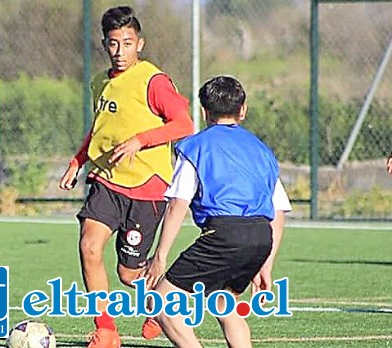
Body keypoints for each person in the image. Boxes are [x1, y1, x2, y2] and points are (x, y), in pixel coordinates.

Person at [58, 6, 193, 348]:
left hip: (147, 187)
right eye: (114, 44)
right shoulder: (99, 82)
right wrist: (78, 159)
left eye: (127, 43)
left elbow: (184, 124)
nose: (120, 52)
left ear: (140, 43)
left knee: (128, 273)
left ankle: (161, 302)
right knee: (89, 246)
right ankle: (106, 331)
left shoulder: (153, 81)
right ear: (104, 44)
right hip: (107, 181)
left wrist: (140, 140)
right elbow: (100, 126)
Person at [144, 75, 290, 348]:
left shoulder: (195, 146)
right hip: (261, 235)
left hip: (224, 234)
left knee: (159, 302)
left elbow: (178, 204)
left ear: (203, 112)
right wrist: (266, 263)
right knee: (224, 303)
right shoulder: (262, 151)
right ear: (242, 110)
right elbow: (279, 210)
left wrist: (160, 257)